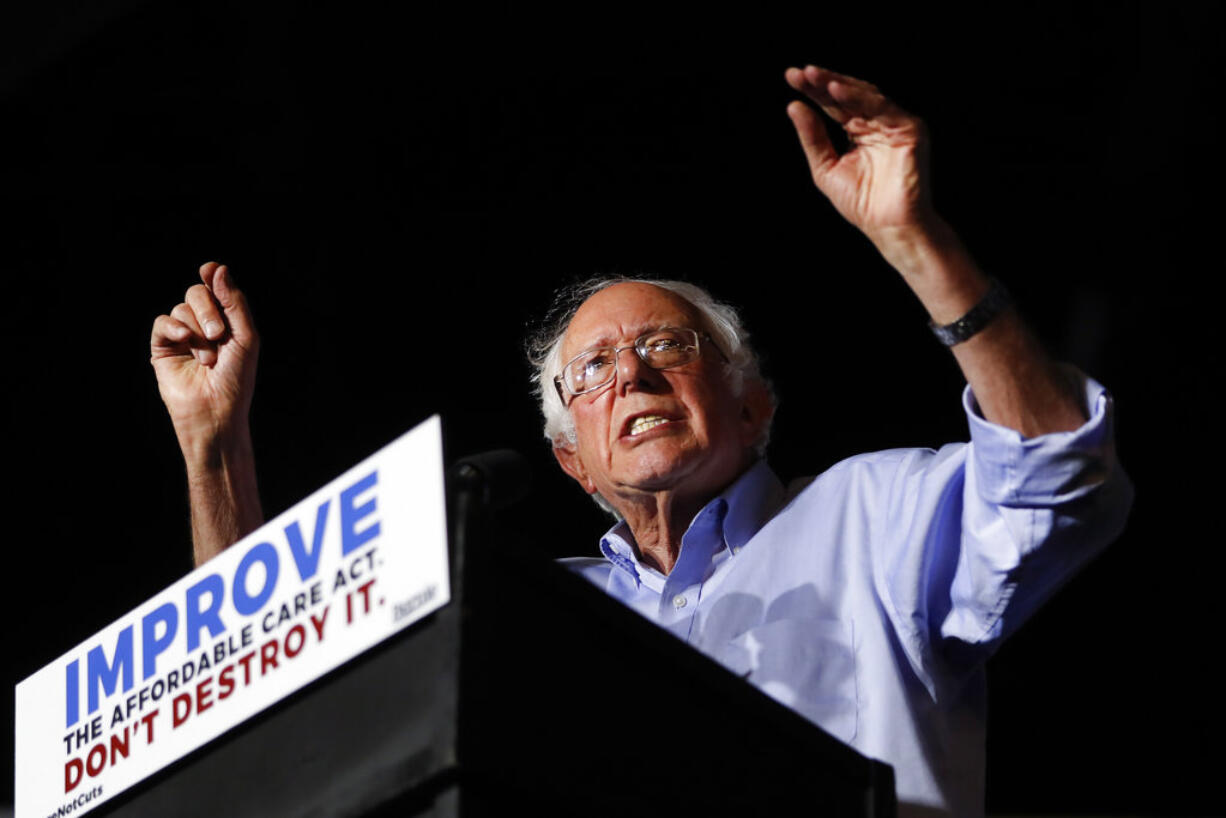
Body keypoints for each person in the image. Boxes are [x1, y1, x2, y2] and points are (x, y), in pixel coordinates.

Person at [150, 65, 1133, 816]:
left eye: (667, 344)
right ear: (571, 460)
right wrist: (212, 446)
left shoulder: (868, 512)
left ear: (753, 408)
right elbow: (272, 693)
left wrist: (915, 240)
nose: (628, 373)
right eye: (591, 371)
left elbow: (1054, 470)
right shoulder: (535, 611)